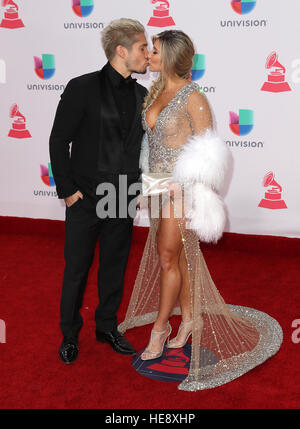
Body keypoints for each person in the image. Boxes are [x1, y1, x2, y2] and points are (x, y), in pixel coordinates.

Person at [119, 30, 283, 391]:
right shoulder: (154, 90)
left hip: (183, 190)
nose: (148, 55)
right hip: (158, 186)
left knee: (166, 258)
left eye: (155, 51)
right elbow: (151, 143)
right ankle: (190, 319)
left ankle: (161, 330)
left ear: (172, 56)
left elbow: (209, 152)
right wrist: (148, 182)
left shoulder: (194, 97)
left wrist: (186, 185)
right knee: (178, 258)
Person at [49, 18, 149, 364]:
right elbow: (60, 139)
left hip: (121, 193)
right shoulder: (82, 88)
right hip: (86, 197)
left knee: (114, 266)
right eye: (142, 47)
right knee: (77, 268)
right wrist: (67, 190)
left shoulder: (141, 94)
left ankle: (106, 326)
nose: (148, 54)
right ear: (121, 51)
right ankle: (69, 333)